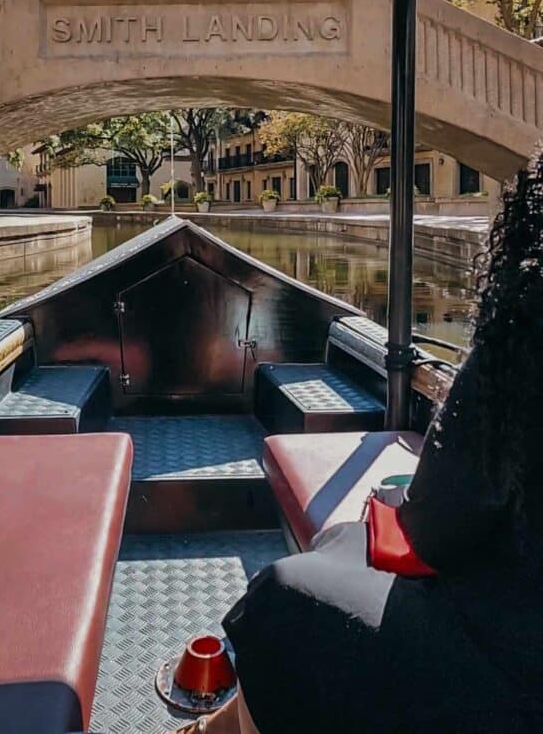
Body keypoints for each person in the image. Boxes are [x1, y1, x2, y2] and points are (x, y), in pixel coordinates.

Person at [176, 148, 543, 734]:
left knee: (286, 595)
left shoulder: (522, 352)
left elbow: (432, 530)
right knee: (340, 541)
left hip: (508, 682)